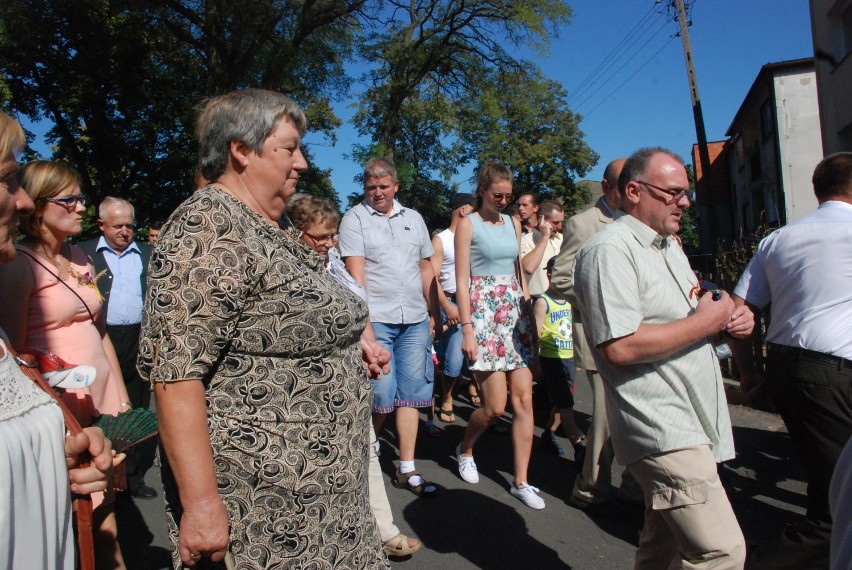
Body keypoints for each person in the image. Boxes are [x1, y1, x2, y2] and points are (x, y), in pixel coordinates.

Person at [138, 88, 389, 569]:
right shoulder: (208, 226)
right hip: (267, 504)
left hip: (324, 494)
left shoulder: (262, 227)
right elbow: (175, 377)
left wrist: (344, 346)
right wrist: (203, 507)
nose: (303, 163)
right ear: (241, 149)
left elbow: (276, 325)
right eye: (289, 148)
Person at [573, 147, 754, 568]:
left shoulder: (668, 245)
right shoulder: (609, 251)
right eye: (673, 192)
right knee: (720, 552)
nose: (686, 202)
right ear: (634, 191)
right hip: (661, 423)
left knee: (663, 547)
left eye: (685, 193)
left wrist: (728, 315)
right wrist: (707, 323)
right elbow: (619, 346)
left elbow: (690, 311)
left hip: (689, 415)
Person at [0, 110, 120, 570]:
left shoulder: (81, 259)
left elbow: (99, 332)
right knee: (89, 518)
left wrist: (121, 396)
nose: (80, 208)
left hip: (95, 395)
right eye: (69, 200)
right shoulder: (19, 265)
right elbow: (18, 357)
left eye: (81, 199)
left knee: (107, 507)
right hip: (61, 399)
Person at [732, 152, 852, 570]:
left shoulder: (779, 238)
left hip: (791, 368)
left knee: (831, 487)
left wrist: (748, 374)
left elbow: (738, 311)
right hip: (834, 373)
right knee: (836, 509)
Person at [287, 194, 422, 558]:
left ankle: (384, 531)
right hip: (310, 389)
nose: (330, 244)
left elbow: (353, 306)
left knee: (365, 450)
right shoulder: (285, 265)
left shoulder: (330, 260)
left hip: (348, 378)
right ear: (296, 232)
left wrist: (369, 344)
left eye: (332, 236)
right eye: (320, 237)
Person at [338, 158, 440, 498]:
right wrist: (363, 325)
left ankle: (407, 467)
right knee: (380, 392)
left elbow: (426, 268)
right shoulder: (354, 219)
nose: (378, 193)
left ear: (395, 186)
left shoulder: (414, 219)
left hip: (414, 319)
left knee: (413, 393)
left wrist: (435, 312)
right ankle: (366, 449)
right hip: (377, 318)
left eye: (383, 187)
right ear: (365, 188)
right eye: (371, 187)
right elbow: (356, 275)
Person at [550, 158, 644, 511]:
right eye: (624, 186)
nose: (632, 192)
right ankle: (591, 488)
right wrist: (606, 299)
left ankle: (635, 488)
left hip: (641, 335)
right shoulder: (583, 223)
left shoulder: (640, 219)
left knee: (638, 415)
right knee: (605, 419)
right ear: (606, 187)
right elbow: (559, 279)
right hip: (599, 335)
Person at [454, 161, 542, 510]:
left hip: (514, 315)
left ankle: (522, 481)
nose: (504, 201)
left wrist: (529, 325)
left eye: (508, 195)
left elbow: (518, 273)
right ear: (482, 191)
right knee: (494, 407)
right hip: (482, 314)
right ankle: (465, 448)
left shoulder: (514, 222)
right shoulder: (467, 224)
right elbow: (462, 281)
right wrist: (467, 329)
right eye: (497, 195)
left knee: (523, 401)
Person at [79, 197, 156, 500]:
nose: (125, 231)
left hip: (137, 338)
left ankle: (133, 476)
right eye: (117, 225)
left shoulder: (148, 254)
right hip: (102, 337)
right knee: (103, 407)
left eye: (129, 225)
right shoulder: (84, 253)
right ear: (101, 225)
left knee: (135, 408)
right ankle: (104, 475)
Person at [534, 257, 586, 462]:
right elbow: (537, 333)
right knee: (565, 403)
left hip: (569, 358)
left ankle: (548, 434)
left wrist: (578, 355)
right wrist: (535, 361)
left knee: (562, 402)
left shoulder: (571, 301)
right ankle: (579, 446)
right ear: (550, 275)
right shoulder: (542, 302)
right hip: (551, 358)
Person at [431, 193, 476, 424]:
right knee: (454, 359)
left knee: (479, 355)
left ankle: (476, 391)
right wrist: (446, 306)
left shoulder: (475, 237)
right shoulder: (441, 240)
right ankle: (447, 397)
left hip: (476, 301)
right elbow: (432, 277)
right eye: (473, 209)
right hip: (453, 302)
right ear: (462, 210)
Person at [520, 200, 564, 298]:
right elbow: (528, 268)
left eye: (561, 222)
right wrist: (544, 237)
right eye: (556, 223)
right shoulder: (525, 241)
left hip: (563, 301)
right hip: (539, 300)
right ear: (542, 219)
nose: (560, 227)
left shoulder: (563, 239)